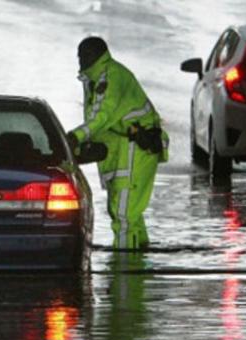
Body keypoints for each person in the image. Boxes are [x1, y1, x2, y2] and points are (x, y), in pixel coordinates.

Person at [66, 36, 169, 250]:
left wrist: (76, 137)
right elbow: (100, 121)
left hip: (136, 148)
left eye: (83, 55)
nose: (80, 60)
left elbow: (102, 117)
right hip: (124, 150)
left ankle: (123, 271)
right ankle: (138, 266)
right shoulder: (94, 79)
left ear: (96, 55)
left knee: (124, 216)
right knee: (129, 215)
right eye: (79, 55)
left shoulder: (110, 77)